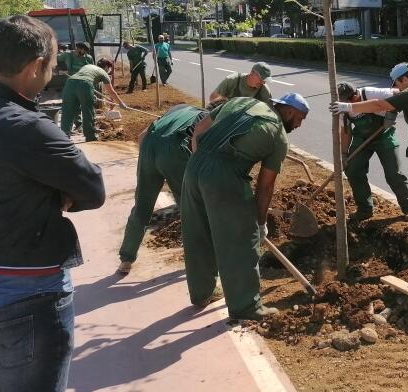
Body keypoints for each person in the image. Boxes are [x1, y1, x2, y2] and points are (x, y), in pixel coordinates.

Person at [0, 15, 106, 392]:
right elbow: (92, 189)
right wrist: (53, 194)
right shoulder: (28, 128)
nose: (50, 75)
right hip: (28, 297)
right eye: (49, 67)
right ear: (33, 68)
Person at [181, 93, 309, 320]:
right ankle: (246, 306)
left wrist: (202, 164)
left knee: (198, 233)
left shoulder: (243, 102)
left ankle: (202, 293)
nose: (299, 125)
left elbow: (199, 128)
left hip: (193, 168)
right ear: (289, 111)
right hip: (225, 175)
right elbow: (264, 186)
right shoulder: (278, 136)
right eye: (300, 118)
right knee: (240, 240)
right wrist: (259, 224)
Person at [330, 63, 408, 255]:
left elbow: (378, 104)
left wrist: (348, 106)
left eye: (398, 84)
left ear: (405, 80)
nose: (396, 88)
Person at [117, 102, 216, 275]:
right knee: (191, 209)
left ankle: (126, 258)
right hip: (175, 151)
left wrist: (154, 168)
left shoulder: (176, 110)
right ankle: (200, 263)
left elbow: (141, 137)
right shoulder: (205, 119)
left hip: (148, 147)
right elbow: (200, 153)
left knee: (142, 205)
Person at [337, 82, 408, 221]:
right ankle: (365, 210)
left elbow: (398, 94)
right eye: (346, 101)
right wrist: (344, 154)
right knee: (352, 170)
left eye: (352, 99)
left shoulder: (371, 93)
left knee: (393, 174)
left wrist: (391, 113)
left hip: (384, 135)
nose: (350, 103)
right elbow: (346, 132)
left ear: (356, 93)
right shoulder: (342, 108)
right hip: (361, 138)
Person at [60, 59, 125, 142]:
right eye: (109, 68)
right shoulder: (103, 73)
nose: (109, 70)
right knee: (87, 111)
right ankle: (90, 136)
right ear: (106, 67)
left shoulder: (88, 66)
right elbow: (111, 92)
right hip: (85, 84)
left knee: (67, 110)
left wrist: (90, 94)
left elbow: (80, 80)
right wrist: (121, 103)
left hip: (70, 83)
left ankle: (64, 137)